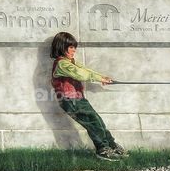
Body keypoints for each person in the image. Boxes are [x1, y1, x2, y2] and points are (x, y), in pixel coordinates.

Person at [50, 32, 128, 161]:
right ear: (61, 47)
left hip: (77, 98)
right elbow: (81, 75)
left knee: (98, 121)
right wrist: (99, 78)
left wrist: (102, 77)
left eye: (74, 47)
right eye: (71, 47)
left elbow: (86, 70)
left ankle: (111, 146)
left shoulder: (71, 62)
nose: (74, 50)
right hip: (69, 100)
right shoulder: (62, 64)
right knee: (93, 123)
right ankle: (102, 150)